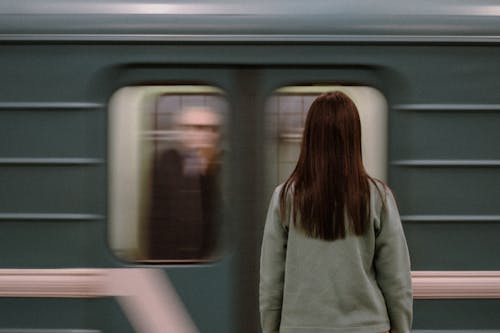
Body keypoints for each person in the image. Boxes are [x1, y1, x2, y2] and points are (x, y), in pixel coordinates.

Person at [259, 91, 412, 333]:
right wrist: (401, 328)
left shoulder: (285, 197)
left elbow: (271, 281)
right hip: (368, 326)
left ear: (309, 137)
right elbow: (397, 279)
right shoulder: (378, 197)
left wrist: (271, 328)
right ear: (354, 137)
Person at [148, 106, 221, 260]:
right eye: (192, 128)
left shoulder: (222, 164)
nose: (200, 135)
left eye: (209, 129)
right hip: (171, 255)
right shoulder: (167, 160)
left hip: (209, 254)